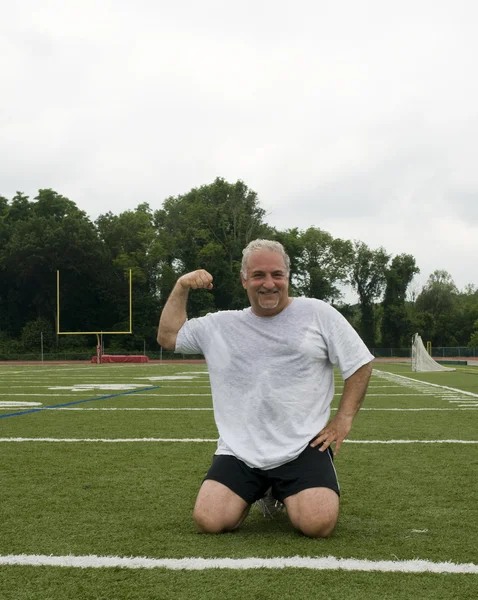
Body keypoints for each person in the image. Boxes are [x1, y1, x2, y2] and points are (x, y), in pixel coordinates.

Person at [157, 239, 373, 538]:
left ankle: (284, 492)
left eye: (277, 274)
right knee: (210, 521)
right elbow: (169, 337)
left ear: (288, 277)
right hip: (240, 449)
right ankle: (261, 490)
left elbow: (360, 362)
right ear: (244, 279)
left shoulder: (317, 314)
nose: (268, 283)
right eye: (258, 275)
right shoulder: (222, 325)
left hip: (302, 446)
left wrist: (343, 419)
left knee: (317, 524)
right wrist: (181, 286)